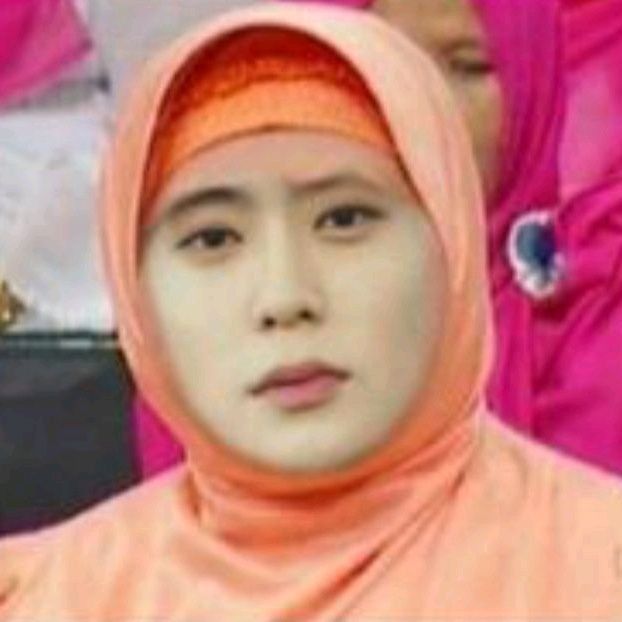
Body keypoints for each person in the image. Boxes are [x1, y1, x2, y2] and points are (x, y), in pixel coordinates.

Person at [3, 5, 622, 619]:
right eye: (213, 238)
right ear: (136, 287)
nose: (285, 296)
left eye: (345, 220)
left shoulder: (598, 568)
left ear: (447, 232)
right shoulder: (45, 595)